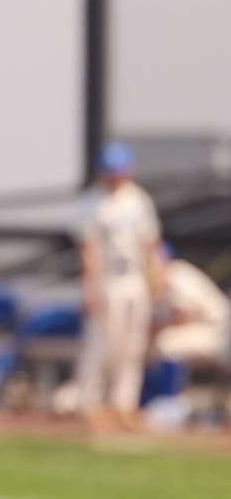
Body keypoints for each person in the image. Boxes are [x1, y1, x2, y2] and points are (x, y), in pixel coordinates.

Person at [74, 141, 163, 426]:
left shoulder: (137, 200)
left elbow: (149, 243)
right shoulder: (92, 202)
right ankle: (88, 402)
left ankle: (124, 404)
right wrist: (91, 287)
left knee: (132, 345)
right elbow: (89, 249)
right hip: (107, 280)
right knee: (102, 343)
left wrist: (156, 276)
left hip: (134, 279)